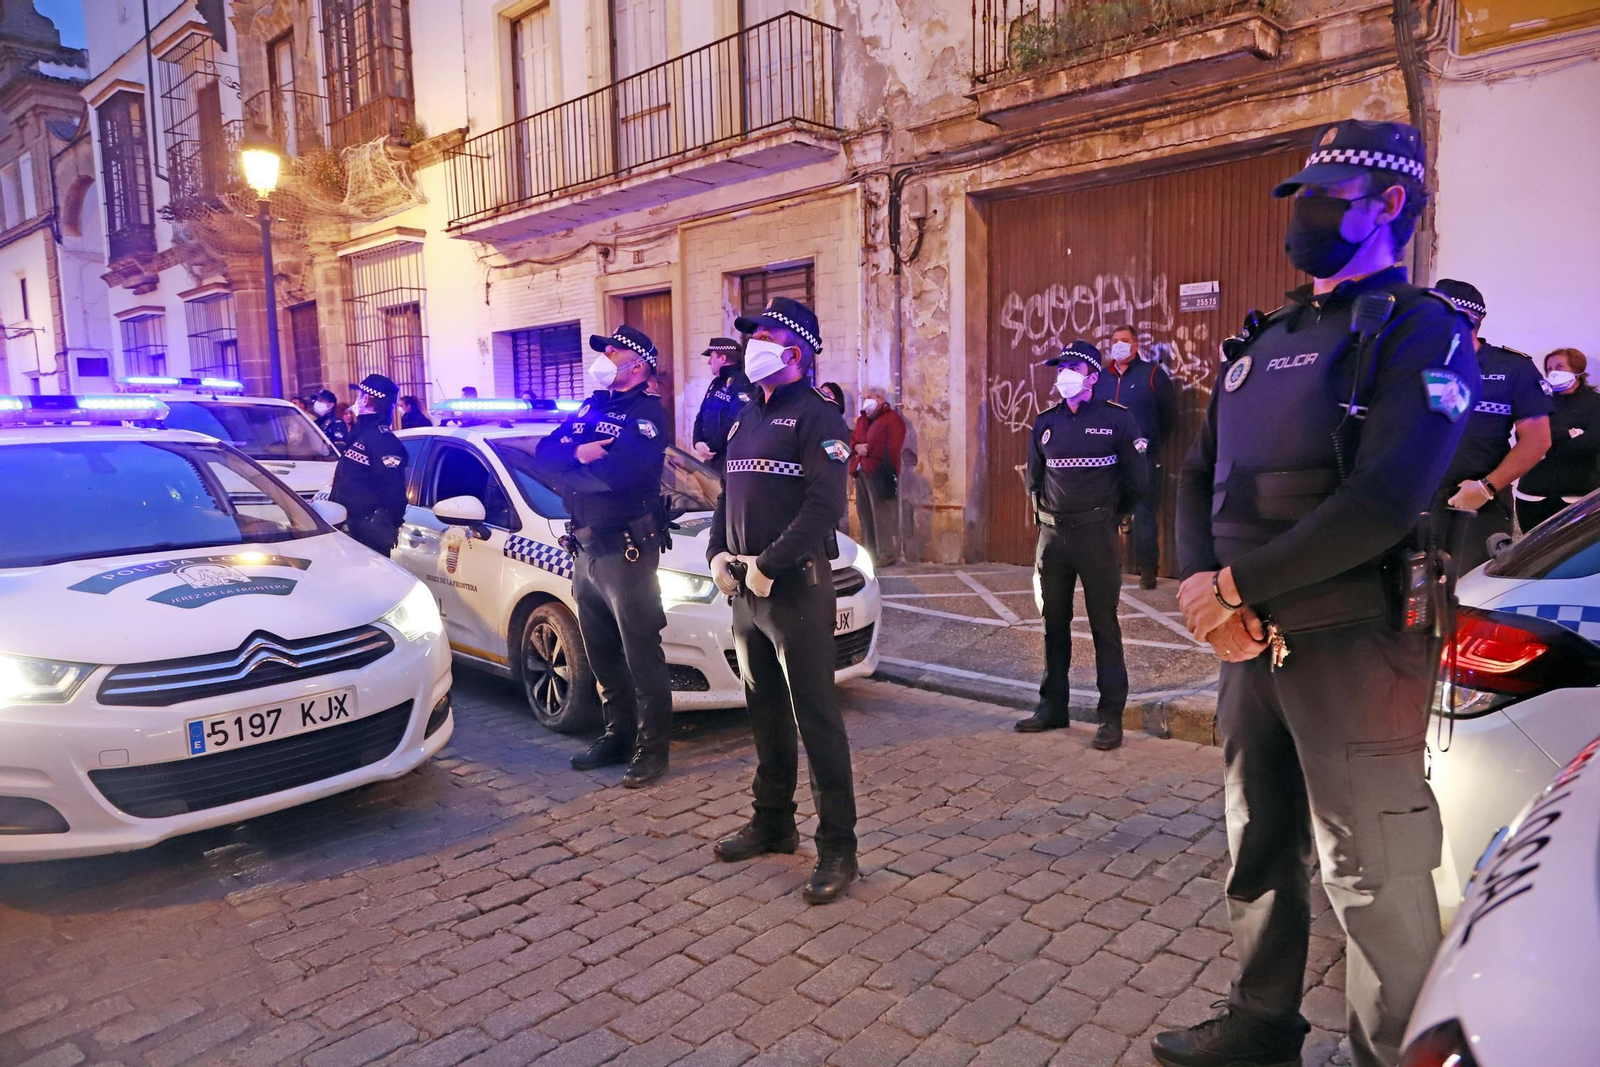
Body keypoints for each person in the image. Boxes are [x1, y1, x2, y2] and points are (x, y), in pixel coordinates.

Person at [1160, 120, 1479, 1067]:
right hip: (1247, 642)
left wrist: (1236, 584)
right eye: (1300, 196)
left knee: (1372, 868)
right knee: (1258, 840)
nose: (1304, 214)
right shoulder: (1270, 336)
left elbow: (1384, 498)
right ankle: (1262, 1024)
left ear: (1390, 205)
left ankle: (1396, 1052)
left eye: (1327, 196)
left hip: (1352, 643)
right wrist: (1199, 589)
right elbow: (1197, 473)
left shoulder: (1426, 331)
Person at [706, 296, 858, 904]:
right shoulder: (745, 416)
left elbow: (826, 506)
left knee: (815, 717)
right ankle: (773, 821)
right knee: (763, 710)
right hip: (748, 591)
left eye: (763, 334)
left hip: (793, 588)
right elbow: (725, 494)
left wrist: (771, 564)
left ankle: (839, 848)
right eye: (750, 336)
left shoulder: (819, 418)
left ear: (794, 349)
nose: (750, 345)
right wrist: (719, 552)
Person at [532, 325, 672, 788]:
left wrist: (572, 467)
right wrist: (580, 452)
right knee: (602, 653)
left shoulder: (648, 413)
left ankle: (652, 749)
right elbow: (543, 454)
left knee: (640, 653)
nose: (605, 357)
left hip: (626, 549)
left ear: (638, 365)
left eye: (613, 351)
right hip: (585, 549)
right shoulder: (591, 406)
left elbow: (617, 475)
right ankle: (618, 733)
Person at [1015, 341, 1148, 749]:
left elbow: (1138, 482)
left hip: (1096, 536)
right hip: (1053, 538)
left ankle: (1110, 717)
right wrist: (1045, 522)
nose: (1064, 375)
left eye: (1072, 367)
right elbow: (1034, 480)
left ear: (1092, 375)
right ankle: (1052, 707)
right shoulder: (1045, 422)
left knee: (1103, 625)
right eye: (1060, 368)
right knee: (1053, 625)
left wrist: (1109, 517)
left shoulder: (1117, 421)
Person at [1429, 280, 1551, 572]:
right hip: (1413, 501)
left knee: (1468, 595)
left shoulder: (1512, 368)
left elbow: (1537, 440)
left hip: (1474, 504)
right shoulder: (1413, 362)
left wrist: (1485, 488)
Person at [1093, 324, 1176, 588]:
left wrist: (1150, 442)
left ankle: (1147, 570)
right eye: (1115, 340)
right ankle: (1104, 567)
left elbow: (1168, 416)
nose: (1119, 344)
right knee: (1104, 512)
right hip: (1106, 458)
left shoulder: (1153, 375)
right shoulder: (1102, 377)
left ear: (1136, 345)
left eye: (1124, 340)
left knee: (1144, 511)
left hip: (1141, 458)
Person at [1516, 348, 1600, 529]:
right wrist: (1569, 433)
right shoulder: (1538, 400)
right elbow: (1523, 437)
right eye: (1549, 368)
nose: (1553, 372)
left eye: (1559, 366)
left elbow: (1591, 444)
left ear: (1577, 370)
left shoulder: (1595, 403)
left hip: (1577, 498)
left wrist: (1544, 448)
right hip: (1532, 496)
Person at [329, 374, 410, 557]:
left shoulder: (383, 441)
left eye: (359, 395)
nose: (356, 401)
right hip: (348, 531)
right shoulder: (360, 435)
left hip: (366, 535)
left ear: (365, 399)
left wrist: (386, 525)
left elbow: (394, 493)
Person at [847, 386, 907, 567]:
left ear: (881, 399)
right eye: (865, 397)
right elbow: (854, 439)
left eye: (870, 397)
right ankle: (870, 553)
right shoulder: (863, 419)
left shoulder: (893, 420)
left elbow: (893, 448)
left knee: (882, 514)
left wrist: (868, 449)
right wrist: (857, 447)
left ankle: (887, 553)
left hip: (881, 472)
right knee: (865, 514)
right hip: (862, 470)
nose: (866, 400)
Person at [691, 337, 751, 475]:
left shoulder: (741, 382)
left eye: (711, 357)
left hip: (728, 459)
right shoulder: (716, 382)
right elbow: (701, 414)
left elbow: (735, 421)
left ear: (722, 358)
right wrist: (697, 442)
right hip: (712, 457)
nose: (708, 362)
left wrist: (710, 446)